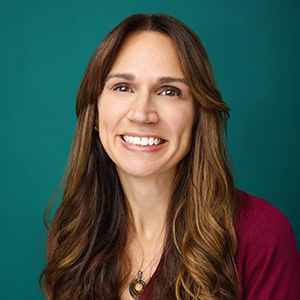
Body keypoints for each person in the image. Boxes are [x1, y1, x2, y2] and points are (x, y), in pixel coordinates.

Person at [40, 14, 300, 300]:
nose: (141, 114)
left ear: (198, 115)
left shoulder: (260, 234)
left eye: (169, 91)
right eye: (123, 87)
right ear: (96, 113)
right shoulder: (71, 238)